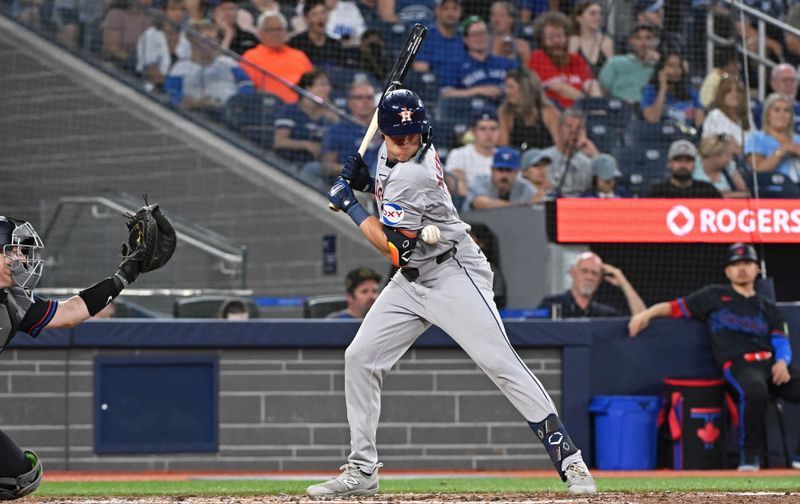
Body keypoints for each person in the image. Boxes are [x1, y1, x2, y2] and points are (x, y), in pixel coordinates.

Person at [312, 88, 596, 497]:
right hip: (412, 280)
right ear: (384, 135)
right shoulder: (389, 154)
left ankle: (570, 460)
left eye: (412, 136)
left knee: (500, 363)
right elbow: (391, 205)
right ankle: (362, 468)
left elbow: (395, 248)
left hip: (453, 273)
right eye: (397, 136)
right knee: (360, 358)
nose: (406, 143)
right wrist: (366, 181)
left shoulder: (417, 171)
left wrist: (352, 206)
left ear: (423, 131)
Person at [0, 214, 168, 499]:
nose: (21, 258)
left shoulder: (14, 301)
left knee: (20, 476)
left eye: (22, 251)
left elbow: (70, 312)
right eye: (12, 251)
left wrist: (126, 273)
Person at [628, 243, 800, 471]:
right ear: (727, 271)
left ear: (756, 269)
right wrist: (647, 314)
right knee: (755, 388)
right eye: (736, 264)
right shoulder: (714, 295)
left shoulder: (767, 305)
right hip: (738, 363)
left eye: (747, 263)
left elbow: (780, 339)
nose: (742, 269)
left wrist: (782, 362)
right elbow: (675, 307)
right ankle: (750, 458)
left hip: (770, 363)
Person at [165, 20, 248, 111]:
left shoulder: (228, 63)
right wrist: (195, 103)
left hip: (232, 111)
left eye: (215, 39)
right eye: (208, 39)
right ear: (193, 40)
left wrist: (238, 101)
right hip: (198, 115)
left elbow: (245, 84)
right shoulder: (180, 68)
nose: (214, 43)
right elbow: (172, 93)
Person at [536, 251, 645, 318]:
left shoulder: (604, 314)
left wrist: (623, 282)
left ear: (600, 279)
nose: (589, 277)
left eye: (595, 273)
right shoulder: (552, 304)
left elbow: (642, 318)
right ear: (573, 273)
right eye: (584, 271)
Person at [527, 11, 601, 109]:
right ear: (542, 41)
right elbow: (558, 87)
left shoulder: (576, 59)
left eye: (560, 36)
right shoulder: (538, 57)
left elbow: (591, 84)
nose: (556, 41)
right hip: (555, 112)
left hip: (581, 112)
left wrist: (599, 104)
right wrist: (587, 103)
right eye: (551, 38)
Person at [240, 11, 314, 104]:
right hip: (269, 108)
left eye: (279, 29)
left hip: (302, 107)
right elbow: (248, 88)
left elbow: (313, 82)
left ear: (286, 33)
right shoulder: (250, 57)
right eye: (271, 30)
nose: (276, 34)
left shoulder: (299, 55)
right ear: (260, 33)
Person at [439, 16, 518, 101]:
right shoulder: (455, 65)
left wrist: (502, 89)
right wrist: (477, 91)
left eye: (482, 33)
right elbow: (446, 93)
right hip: (470, 110)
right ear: (465, 39)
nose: (480, 38)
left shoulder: (504, 62)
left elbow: (521, 85)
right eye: (475, 34)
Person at [274, 69, 338, 168]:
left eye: (328, 85)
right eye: (322, 84)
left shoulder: (328, 114)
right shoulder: (290, 110)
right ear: (308, 87)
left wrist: (335, 118)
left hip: (321, 163)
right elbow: (279, 142)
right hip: (292, 162)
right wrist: (307, 145)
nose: (328, 89)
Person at [321, 80, 380, 184]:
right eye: (359, 98)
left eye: (369, 97)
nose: (365, 101)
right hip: (352, 183)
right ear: (350, 102)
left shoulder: (384, 128)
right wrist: (352, 170)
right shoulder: (338, 129)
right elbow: (327, 166)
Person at [540, 108, 599, 197]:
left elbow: (607, 185)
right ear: (559, 128)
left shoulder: (588, 162)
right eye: (569, 126)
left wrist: (595, 154)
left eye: (579, 128)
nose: (573, 131)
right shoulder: (543, 158)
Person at [497, 68, 559, 152]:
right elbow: (503, 147)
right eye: (506, 87)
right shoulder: (505, 113)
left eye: (511, 87)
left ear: (524, 89)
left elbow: (559, 144)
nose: (506, 91)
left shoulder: (548, 112)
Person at [444, 108, 499, 201]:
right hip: (470, 210)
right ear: (474, 132)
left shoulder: (503, 156)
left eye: (493, 129)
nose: (488, 134)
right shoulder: (459, 154)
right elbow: (458, 187)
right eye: (483, 129)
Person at [641, 49, 704, 131]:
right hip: (660, 139)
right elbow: (652, 119)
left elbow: (700, 125)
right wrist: (662, 89)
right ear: (661, 69)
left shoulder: (692, 93)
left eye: (678, 66)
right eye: (671, 66)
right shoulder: (649, 91)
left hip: (686, 139)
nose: (675, 70)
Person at [744, 93, 800, 183]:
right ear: (767, 114)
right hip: (773, 190)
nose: (782, 114)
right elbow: (759, 170)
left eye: (786, 110)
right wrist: (782, 150)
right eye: (777, 110)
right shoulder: (756, 138)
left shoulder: (798, 139)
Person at [597, 23, 657, 105]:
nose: (644, 43)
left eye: (648, 38)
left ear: (654, 41)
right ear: (631, 41)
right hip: (619, 110)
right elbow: (601, 90)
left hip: (649, 112)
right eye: (638, 38)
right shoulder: (615, 62)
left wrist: (659, 61)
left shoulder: (658, 66)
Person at [135, 0, 189, 91]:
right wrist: (171, 86)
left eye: (182, 10)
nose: (178, 13)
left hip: (179, 93)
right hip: (151, 89)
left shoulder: (186, 39)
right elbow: (150, 70)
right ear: (164, 11)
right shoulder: (151, 35)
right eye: (173, 9)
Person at [412, 0, 466, 90]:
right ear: (437, 10)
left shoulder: (465, 38)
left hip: (460, 90)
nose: (451, 12)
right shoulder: (425, 34)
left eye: (454, 8)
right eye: (446, 8)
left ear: (460, 12)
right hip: (431, 89)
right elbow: (419, 66)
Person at [467, 147, 538, 210]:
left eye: (509, 170)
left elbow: (537, 205)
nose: (504, 175)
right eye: (500, 169)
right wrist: (517, 207)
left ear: (517, 172)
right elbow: (480, 203)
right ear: (492, 170)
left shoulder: (525, 187)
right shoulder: (479, 181)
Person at [648, 140, 722, 198]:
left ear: (695, 164)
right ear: (669, 163)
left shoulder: (706, 191)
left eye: (688, 160)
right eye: (678, 160)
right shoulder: (657, 192)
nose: (683, 164)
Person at [288, 0, 349, 68]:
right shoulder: (296, 43)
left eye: (323, 13)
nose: (320, 18)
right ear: (306, 18)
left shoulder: (335, 46)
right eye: (315, 14)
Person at [702, 74, 751, 152]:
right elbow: (716, 142)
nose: (735, 94)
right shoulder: (715, 116)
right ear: (722, 95)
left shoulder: (746, 118)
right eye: (729, 91)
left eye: (738, 91)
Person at [102, 0, 155, 71]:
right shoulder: (116, 14)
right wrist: (131, 59)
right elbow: (112, 49)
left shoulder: (153, 18)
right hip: (119, 65)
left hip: (147, 67)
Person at [568, 1, 614, 78]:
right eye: (592, 13)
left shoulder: (607, 41)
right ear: (579, 18)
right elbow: (567, 69)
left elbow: (614, 70)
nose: (598, 17)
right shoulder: (573, 41)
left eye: (600, 13)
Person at [752, 64, 800, 133]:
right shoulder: (762, 109)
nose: (789, 84)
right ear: (773, 83)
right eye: (784, 80)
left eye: (792, 80)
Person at [698, 45, 741, 110]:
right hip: (709, 109)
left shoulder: (724, 74)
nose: (738, 66)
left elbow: (732, 78)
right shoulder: (716, 77)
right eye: (734, 63)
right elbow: (709, 103)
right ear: (726, 65)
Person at [488, 1, 530, 66]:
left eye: (501, 15)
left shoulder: (521, 46)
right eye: (493, 15)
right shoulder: (483, 43)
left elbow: (527, 73)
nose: (496, 20)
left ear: (511, 19)